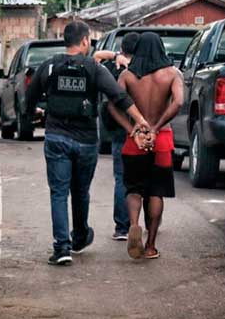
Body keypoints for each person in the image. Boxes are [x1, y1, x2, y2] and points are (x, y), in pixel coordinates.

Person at [26, 21, 150, 266]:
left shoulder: (49, 66)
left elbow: (30, 100)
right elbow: (119, 96)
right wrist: (141, 121)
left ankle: (62, 248)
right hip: (85, 142)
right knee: (80, 192)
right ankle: (80, 236)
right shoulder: (94, 68)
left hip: (56, 137)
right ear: (84, 41)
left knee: (59, 193)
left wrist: (38, 112)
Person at [108, 32, 184, 260]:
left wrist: (132, 129)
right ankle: (150, 245)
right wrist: (157, 126)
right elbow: (179, 102)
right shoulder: (173, 74)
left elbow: (112, 105)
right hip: (161, 139)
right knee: (156, 191)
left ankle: (133, 225)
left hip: (136, 140)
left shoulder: (128, 76)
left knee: (133, 188)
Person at [99, 32, 140, 241]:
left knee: (121, 177)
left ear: (122, 49)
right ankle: (143, 223)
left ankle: (122, 227)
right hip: (143, 129)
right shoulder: (148, 69)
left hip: (119, 130)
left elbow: (95, 57)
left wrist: (115, 56)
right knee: (143, 179)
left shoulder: (113, 68)